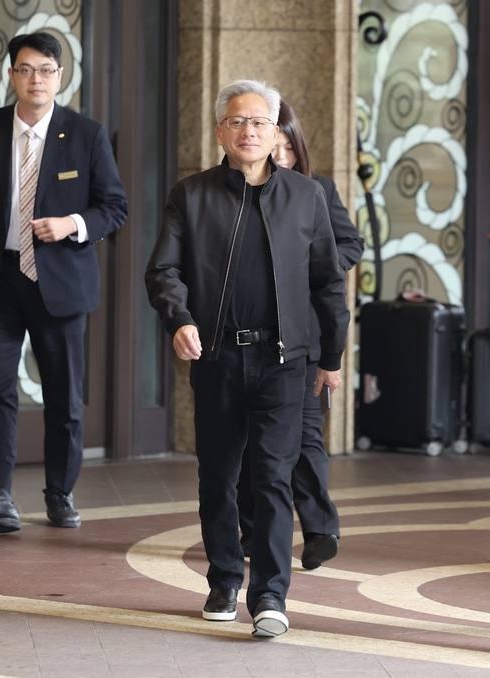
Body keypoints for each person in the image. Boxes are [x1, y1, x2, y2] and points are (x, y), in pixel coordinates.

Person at [145, 80, 349, 638]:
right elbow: (163, 269)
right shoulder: (191, 195)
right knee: (218, 476)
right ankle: (224, 579)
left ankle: (270, 595)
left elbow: (328, 281)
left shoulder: (306, 196)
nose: (249, 131)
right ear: (220, 131)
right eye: (237, 121)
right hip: (217, 358)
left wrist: (331, 355)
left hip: (285, 362)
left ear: (276, 131)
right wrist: (180, 319)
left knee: (273, 478)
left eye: (259, 122)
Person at [0, 32, 128, 533]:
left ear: (60, 77)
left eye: (46, 70)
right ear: (11, 76)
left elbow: (114, 207)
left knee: (64, 396)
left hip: (60, 283)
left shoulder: (86, 135)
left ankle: (59, 492)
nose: (36, 79)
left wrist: (72, 224)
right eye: (25, 70)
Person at [236, 101, 363, 569]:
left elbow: (349, 243)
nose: (281, 156)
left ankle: (319, 528)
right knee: (250, 441)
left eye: (288, 147)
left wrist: (316, 267)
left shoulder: (316, 190)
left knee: (306, 433)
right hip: (248, 336)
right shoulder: (233, 190)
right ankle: (252, 531)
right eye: (277, 146)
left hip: (304, 336)